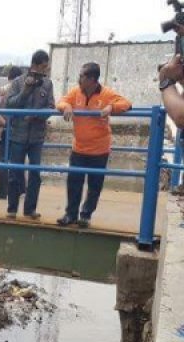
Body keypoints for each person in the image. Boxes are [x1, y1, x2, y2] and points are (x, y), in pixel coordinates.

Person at [56, 62, 131, 228]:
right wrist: (67, 106)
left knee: (94, 185)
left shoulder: (106, 94)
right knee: (74, 182)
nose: (79, 78)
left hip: (99, 150)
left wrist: (111, 107)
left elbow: (126, 103)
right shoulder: (76, 92)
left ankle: (86, 215)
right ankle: (71, 214)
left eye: (82, 76)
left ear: (91, 79)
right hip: (79, 148)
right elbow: (60, 102)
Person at [5, 50, 55, 219]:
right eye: (42, 67)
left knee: (35, 174)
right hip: (18, 135)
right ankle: (12, 208)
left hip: (37, 137)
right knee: (14, 173)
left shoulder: (48, 85)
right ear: (34, 65)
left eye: (46, 68)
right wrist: (25, 90)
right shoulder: (18, 82)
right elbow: (9, 105)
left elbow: (50, 108)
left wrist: (36, 114)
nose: (44, 71)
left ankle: (29, 209)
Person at [0, 66, 23, 199]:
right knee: (18, 160)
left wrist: (4, 123)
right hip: (16, 129)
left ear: (8, 77)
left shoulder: (2, 91)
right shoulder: (20, 90)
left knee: (3, 160)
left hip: (4, 127)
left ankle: (1, 192)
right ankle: (20, 190)